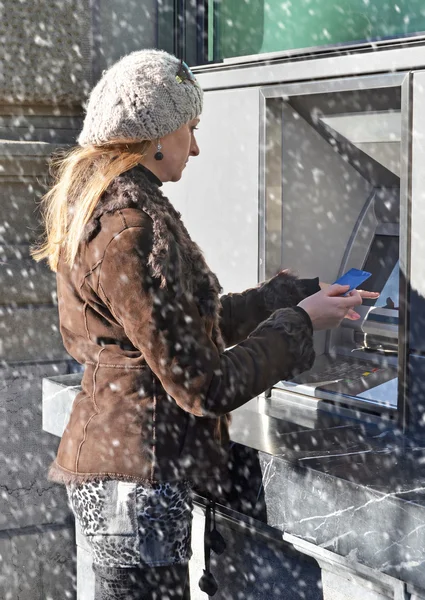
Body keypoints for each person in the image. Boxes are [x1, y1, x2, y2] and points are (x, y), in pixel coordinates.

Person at [32, 50, 377, 600]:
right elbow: (203, 384)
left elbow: (182, 327)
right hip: (134, 487)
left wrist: (280, 298)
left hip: (129, 472)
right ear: (156, 136)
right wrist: (297, 325)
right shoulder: (129, 230)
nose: (195, 146)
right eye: (190, 128)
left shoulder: (115, 214)